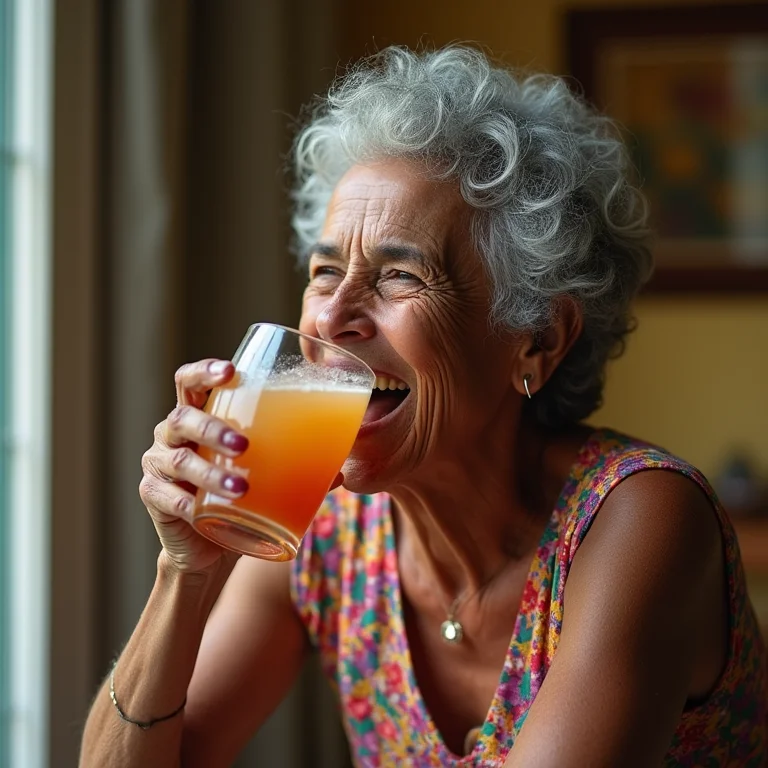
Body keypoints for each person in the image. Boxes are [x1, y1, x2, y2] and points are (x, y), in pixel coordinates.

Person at [80, 45, 767, 767]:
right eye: (325, 272)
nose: (332, 317)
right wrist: (185, 571)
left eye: (400, 275)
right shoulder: (328, 528)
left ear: (537, 339)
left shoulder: (639, 517)